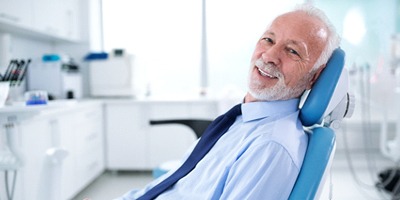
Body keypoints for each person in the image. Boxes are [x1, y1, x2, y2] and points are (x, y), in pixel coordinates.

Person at [116, 3, 340, 200]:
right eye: (268, 39)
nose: (269, 55)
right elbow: (178, 187)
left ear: (314, 76)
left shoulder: (270, 146)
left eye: (292, 51)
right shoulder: (242, 121)